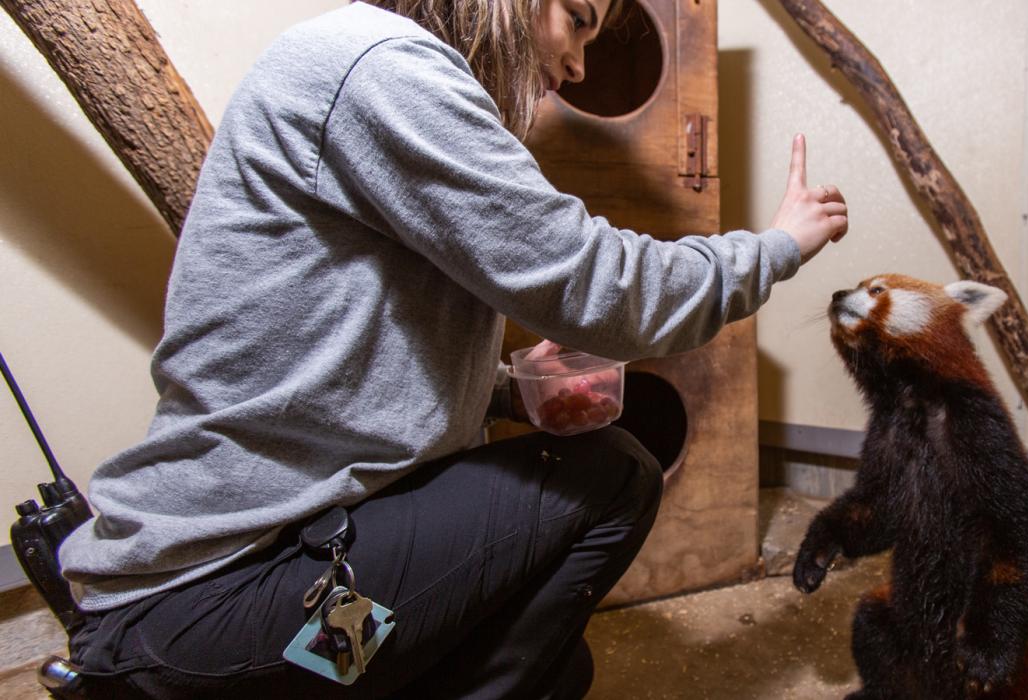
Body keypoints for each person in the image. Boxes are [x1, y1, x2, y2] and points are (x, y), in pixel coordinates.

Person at [57, 0, 848, 697]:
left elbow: (348, 351)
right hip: (215, 599)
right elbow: (601, 287)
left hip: (267, 577)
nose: (575, 65)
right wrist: (776, 247)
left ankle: (357, 675)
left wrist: (507, 389)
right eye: (576, 17)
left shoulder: (377, 72)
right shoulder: (380, 66)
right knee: (615, 478)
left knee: (556, 671)